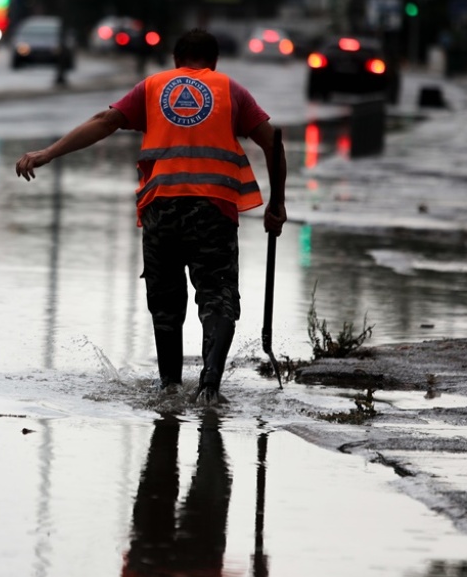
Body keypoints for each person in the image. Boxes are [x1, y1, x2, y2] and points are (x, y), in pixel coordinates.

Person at [15, 28, 286, 404]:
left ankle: (170, 387)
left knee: (165, 302)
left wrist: (48, 153)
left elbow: (104, 121)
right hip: (214, 209)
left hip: (161, 208)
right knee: (218, 295)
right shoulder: (231, 90)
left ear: (175, 60)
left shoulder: (154, 86)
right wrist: (277, 204)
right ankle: (210, 386)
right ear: (214, 62)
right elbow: (273, 143)